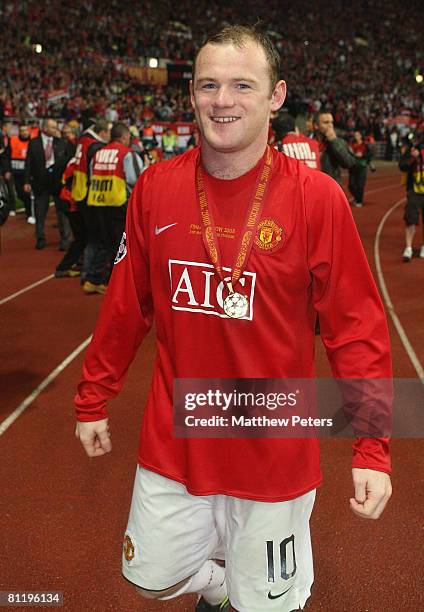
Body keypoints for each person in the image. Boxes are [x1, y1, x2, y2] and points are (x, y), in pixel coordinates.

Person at [75, 25, 392, 612]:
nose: (223, 101)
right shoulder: (155, 188)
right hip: (178, 439)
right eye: (208, 85)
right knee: (149, 580)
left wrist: (371, 449)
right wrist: (92, 398)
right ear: (192, 96)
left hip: (274, 451)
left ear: (275, 97)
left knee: (266, 607)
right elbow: (126, 307)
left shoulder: (317, 198)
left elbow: (357, 331)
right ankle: (217, 584)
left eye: (242, 85)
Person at [82, 122, 143, 295]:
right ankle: (110, 282)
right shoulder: (127, 154)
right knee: (120, 245)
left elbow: (91, 176)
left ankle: (92, 279)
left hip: (97, 202)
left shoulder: (98, 153)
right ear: (124, 137)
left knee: (102, 243)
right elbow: (135, 179)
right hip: (119, 203)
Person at [23, 118, 74, 249]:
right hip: (40, 181)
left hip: (57, 182)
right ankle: (40, 238)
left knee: (62, 212)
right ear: (44, 128)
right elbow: (28, 164)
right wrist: (27, 181)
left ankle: (65, 239)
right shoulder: (34, 143)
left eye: (56, 127)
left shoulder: (62, 143)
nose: (55, 130)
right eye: (52, 127)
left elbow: (68, 160)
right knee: (40, 212)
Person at [398, 134, 424, 262]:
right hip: (414, 190)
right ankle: (408, 247)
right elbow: (402, 165)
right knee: (410, 217)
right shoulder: (411, 150)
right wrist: (413, 158)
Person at [312, 111, 356, 185]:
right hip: (313, 185)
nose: (330, 126)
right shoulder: (307, 142)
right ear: (316, 125)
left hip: (331, 187)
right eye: (326, 122)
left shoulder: (339, 142)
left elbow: (349, 163)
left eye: (331, 122)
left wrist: (334, 141)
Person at [7, 124, 35, 222]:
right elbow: (6, 156)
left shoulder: (34, 143)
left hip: (30, 173)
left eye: (25, 130)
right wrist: (7, 170)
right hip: (17, 173)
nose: (23, 132)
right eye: (21, 130)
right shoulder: (13, 141)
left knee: (28, 193)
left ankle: (30, 213)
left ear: (29, 131)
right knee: (20, 193)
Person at [348, 130, 373, 207]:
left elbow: (370, 154)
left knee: (360, 185)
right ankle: (356, 197)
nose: (356, 136)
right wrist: (351, 153)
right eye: (355, 135)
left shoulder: (365, 145)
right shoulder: (351, 144)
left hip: (362, 166)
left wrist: (362, 155)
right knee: (351, 185)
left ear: (361, 136)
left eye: (358, 135)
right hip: (353, 166)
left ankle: (359, 200)